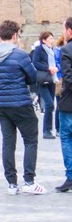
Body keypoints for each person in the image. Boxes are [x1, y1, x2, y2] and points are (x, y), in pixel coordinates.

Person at [0, 20, 46, 195]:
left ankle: (12, 183)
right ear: (15, 35)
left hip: (1, 104)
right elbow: (32, 77)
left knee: (8, 143)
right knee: (30, 140)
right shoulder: (20, 55)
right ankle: (29, 180)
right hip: (20, 102)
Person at [55, 18, 72, 192]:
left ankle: (71, 176)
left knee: (67, 137)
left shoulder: (66, 49)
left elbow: (68, 77)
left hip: (69, 103)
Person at [32, 31, 58, 139]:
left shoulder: (52, 50)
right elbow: (35, 62)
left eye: (53, 38)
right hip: (43, 80)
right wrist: (48, 68)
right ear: (44, 40)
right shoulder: (39, 49)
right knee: (50, 104)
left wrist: (56, 68)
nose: (52, 40)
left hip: (52, 79)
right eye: (50, 38)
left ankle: (48, 130)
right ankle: (46, 130)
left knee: (50, 106)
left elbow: (55, 63)